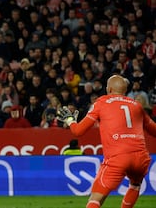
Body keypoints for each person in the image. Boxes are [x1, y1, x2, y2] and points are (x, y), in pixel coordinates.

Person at [57, 75, 156, 208]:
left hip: (118, 157)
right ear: (125, 90)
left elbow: (78, 131)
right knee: (135, 185)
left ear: (108, 89)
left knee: (96, 198)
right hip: (141, 157)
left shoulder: (101, 102)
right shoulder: (137, 105)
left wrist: (70, 121)